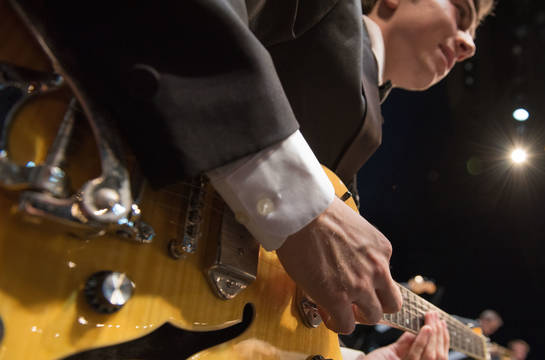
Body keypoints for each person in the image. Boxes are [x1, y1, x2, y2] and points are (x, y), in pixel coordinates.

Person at [11, 0, 492, 354]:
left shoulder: (368, 124)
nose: (469, 43)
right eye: (463, 12)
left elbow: (258, 292)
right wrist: (304, 203)